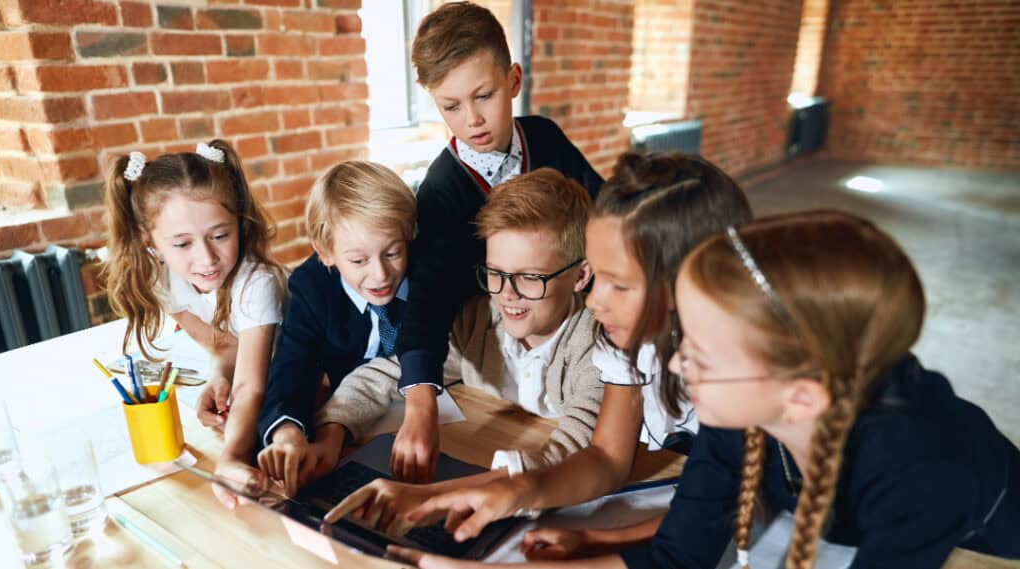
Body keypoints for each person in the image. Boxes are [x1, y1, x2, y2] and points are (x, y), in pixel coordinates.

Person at [390, 210, 1020, 569]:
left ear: (799, 396)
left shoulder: (924, 472)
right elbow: (681, 557)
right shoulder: (736, 404)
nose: (677, 367)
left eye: (702, 355)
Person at [326, 152, 753, 541]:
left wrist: (455, 494)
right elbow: (608, 459)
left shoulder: (733, 369)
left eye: (616, 283)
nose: (596, 300)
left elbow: (722, 508)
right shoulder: (621, 343)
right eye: (496, 274)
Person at [312, 169, 601, 531]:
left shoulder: (598, 344)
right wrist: (334, 428)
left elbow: (572, 454)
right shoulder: (478, 321)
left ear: (580, 276)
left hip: (566, 515)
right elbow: (386, 372)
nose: (507, 294)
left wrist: (440, 496)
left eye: (530, 277)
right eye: (496, 272)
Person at [391, 1, 603, 482]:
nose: (472, 120)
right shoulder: (443, 191)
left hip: (571, 317)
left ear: (513, 80)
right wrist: (421, 405)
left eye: (484, 95)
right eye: (450, 106)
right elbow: (427, 301)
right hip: (497, 349)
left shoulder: (546, 138)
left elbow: (605, 211)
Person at [103, 140, 286, 507]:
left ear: (240, 221)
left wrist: (230, 457)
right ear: (149, 241)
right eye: (183, 244)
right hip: (267, 392)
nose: (207, 258)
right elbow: (223, 344)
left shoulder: (257, 282)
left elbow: (251, 385)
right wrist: (218, 376)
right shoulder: (161, 279)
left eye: (220, 236)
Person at [253, 161, 416, 496]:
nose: (381, 275)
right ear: (325, 252)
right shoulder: (312, 287)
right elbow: (292, 366)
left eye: (393, 253)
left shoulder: (427, 274)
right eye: (358, 261)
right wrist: (288, 434)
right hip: (352, 433)